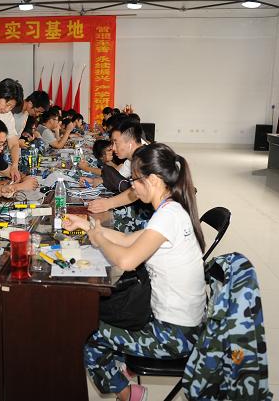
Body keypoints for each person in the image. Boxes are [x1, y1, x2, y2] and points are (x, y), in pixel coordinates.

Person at [63, 143, 206, 401]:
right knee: (99, 318)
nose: (132, 187)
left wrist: (99, 239)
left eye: (135, 180)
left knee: (86, 334)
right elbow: (127, 239)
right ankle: (124, 371)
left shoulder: (168, 217)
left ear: (153, 180)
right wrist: (86, 225)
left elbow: (127, 260)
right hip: (179, 322)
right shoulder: (171, 210)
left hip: (174, 334)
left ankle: (129, 394)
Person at [87, 119, 146, 213]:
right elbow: (119, 175)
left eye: (116, 142)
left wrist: (108, 204)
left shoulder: (145, 159)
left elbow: (137, 191)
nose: (113, 148)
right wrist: (99, 180)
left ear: (130, 143)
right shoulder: (134, 157)